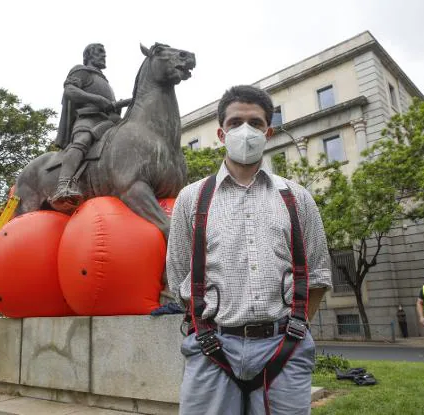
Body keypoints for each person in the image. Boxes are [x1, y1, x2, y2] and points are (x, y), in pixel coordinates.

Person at [166, 85, 332, 415]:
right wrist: (207, 326)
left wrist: (294, 329)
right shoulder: (191, 199)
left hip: (284, 347)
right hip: (211, 347)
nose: (246, 130)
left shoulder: (297, 198)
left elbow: (317, 274)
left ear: (268, 132)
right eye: (236, 122)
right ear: (220, 132)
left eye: (255, 123)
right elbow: (179, 276)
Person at [49, 43, 129, 213]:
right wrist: (98, 100)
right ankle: (63, 185)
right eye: (100, 52)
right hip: (87, 119)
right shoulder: (81, 71)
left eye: (104, 53)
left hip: (108, 122)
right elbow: (70, 91)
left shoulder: (105, 81)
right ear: (88, 55)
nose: (104, 55)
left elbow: (109, 107)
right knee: (82, 141)